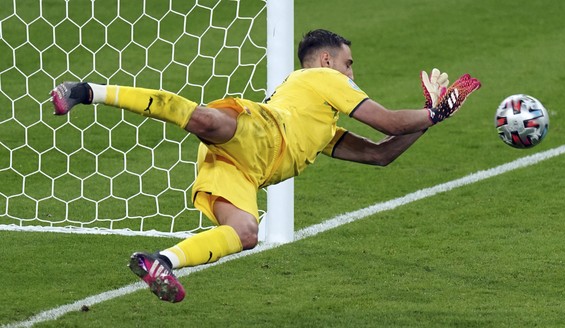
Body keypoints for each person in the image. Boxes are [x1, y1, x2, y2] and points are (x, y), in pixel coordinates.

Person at [50, 29, 480, 303]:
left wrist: (429, 117)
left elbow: (380, 152)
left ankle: (159, 260)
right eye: (349, 63)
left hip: (242, 170)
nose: (352, 73)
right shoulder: (322, 79)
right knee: (201, 118)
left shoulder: (321, 124)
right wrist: (437, 113)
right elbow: (387, 120)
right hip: (258, 131)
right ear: (327, 61)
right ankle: (86, 91)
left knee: (245, 233)